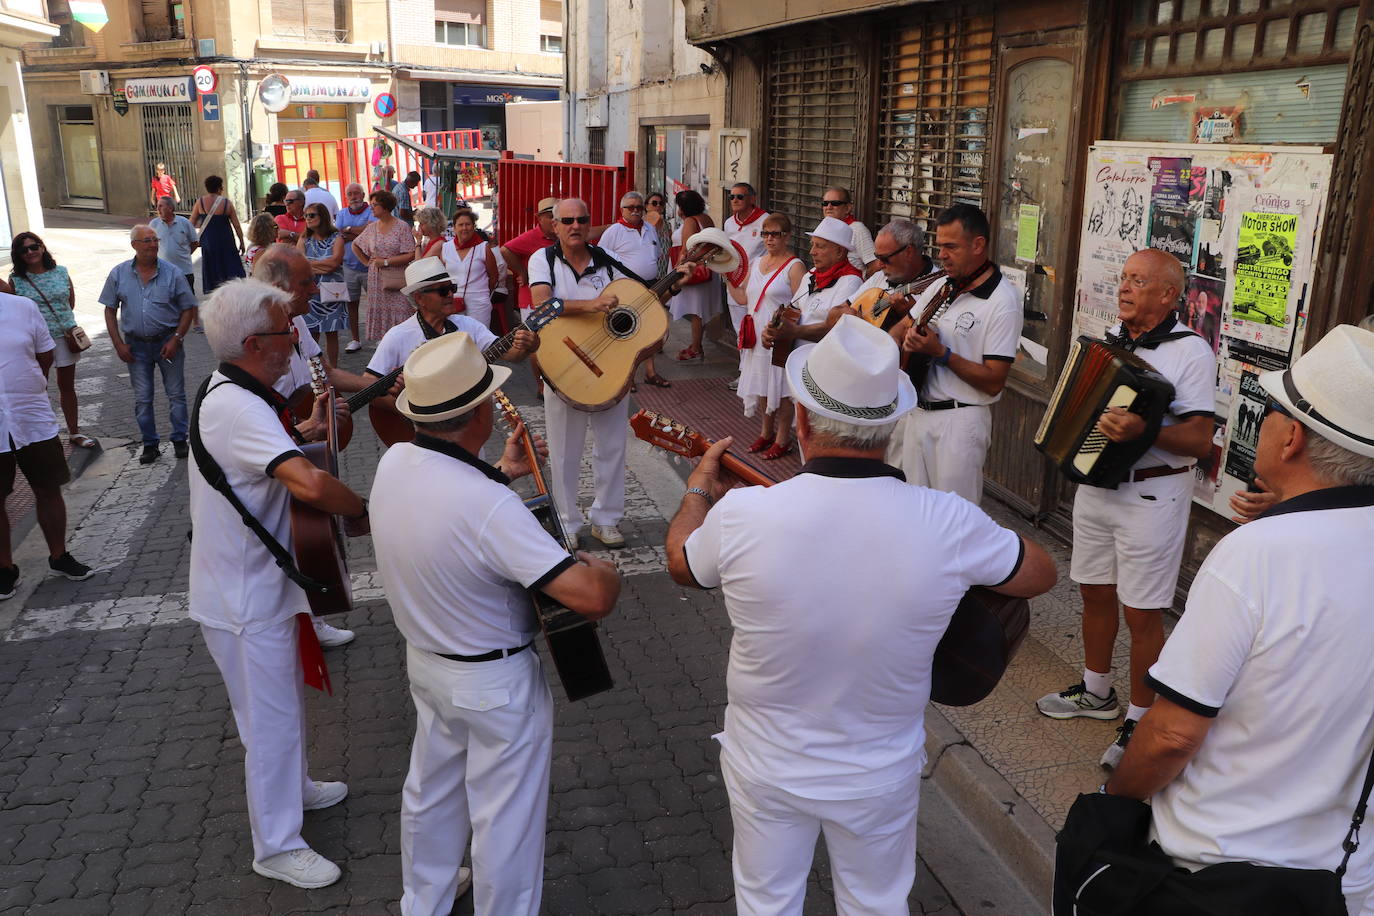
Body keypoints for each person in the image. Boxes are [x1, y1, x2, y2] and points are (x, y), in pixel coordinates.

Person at [666, 315, 1057, 915]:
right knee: (875, 904)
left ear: (799, 419)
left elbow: (683, 565)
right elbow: (1040, 573)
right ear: (890, 426)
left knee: (766, 902)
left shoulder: (743, 513)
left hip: (766, 762)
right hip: (880, 769)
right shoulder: (948, 520)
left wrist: (697, 490)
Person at [1101, 324, 1374, 913]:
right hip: (1347, 875)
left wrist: (1113, 800)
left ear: (1291, 439)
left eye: (1271, 411)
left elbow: (1173, 734)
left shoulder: (1257, 552)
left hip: (1219, 866)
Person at [370, 331, 620, 915]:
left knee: (430, 795)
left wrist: (499, 477)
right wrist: (604, 573)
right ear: (480, 411)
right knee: (505, 821)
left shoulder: (395, 462)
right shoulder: (487, 506)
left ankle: (422, 901)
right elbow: (588, 597)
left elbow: (452, 517)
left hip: (428, 664)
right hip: (494, 684)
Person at [190, 278, 370, 890]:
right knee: (265, 722)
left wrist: (315, 430)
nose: (294, 338)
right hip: (243, 595)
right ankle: (275, 844)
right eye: (283, 330)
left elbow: (282, 464)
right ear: (251, 342)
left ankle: (295, 790)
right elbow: (312, 486)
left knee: (280, 705)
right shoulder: (238, 404)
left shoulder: (244, 393)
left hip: (261, 586)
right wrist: (365, 510)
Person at [1035, 248, 1216, 769]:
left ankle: (1140, 717)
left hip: (1153, 492)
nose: (1125, 287)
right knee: (1094, 591)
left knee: (1142, 611)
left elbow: (1201, 439)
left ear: (1168, 294)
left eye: (1138, 280)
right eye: (1124, 278)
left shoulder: (1191, 353)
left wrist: (1147, 430)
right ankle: (1097, 692)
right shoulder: (1111, 342)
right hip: (1097, 485)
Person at [529, 197, 682, 549]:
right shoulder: (544, 259)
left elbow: (642, 298)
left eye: (581, 219)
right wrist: (590, 305)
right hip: (563, 365)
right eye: (567, 220)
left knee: (612, 447)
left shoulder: (605, 261)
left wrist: (673, 283)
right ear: (555, 225)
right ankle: (567, 523)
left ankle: (607, 519)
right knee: (565, 450)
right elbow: (541, 304)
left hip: (611, 368)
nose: (575, 226)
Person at [895, 203, 1022, 503]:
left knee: (956, 521)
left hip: (960, 421)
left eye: (951, 247)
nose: (942, 255)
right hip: (918, 412)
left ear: (979, 245)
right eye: (939, 246)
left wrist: (941, 353)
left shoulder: (1003, 300)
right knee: (915, 512)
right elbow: (903, 327)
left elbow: (994, 381)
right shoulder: (942, 284)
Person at [0, 283, 99, 595]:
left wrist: (28, 386)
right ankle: (4, 568)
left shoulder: (22, 307)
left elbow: (45, 355)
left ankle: (59, 555)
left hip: (30, 412)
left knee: (48, 487)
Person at [363, 256, 534, 416]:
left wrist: (531, 344)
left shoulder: (468, 326)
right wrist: (409, 413)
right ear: (420, 298)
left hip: (466, 422)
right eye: (443, 291)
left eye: (452, 288)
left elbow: (512, 355)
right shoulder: (398, 336)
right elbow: (367, 386)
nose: (451, 295)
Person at [836, 218, 937, 466]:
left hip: (906, 397)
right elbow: (838, 311)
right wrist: (851, 318)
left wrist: (906, 317)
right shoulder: (879, 278)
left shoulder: (935, 285)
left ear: (910, 252)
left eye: (885, 258)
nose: (879, 265)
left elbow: (925, 341)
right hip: (866, 389)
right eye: (877, 257)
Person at [99, 225, 197, 464]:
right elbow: (110, 310)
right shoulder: (119, 273)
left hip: (168, 341)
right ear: (134, 245)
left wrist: (177, 338)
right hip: (136, 346)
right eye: (147, 241)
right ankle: (150, 444)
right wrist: (118, 344)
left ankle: (179, 440)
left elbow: (188, 308)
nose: (153, 244)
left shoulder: (172, 272)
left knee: (176, 394)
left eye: (155, 240)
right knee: (143, 398)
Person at [8, 233, 95, 450]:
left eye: (34, 246)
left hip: (64, 337)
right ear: (18, 255)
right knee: (39, 388)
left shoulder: (61, 272)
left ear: (42, 247)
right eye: (23, 250)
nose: (30, 252)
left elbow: (70, 303)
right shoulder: (16, 280)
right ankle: (44, 435)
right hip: (34, 342)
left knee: (67, 387)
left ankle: (74, 432)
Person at [733, 212, 806, 460]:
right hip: (756, 336)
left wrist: (782, 327)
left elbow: (800, 307)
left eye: (775, 234)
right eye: (765, 233)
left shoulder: (795, 267)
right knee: (762, 385)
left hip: (779, 337)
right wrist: (725, 274)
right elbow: (743, 299)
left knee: (782, 389)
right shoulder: (756, 263)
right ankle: (765, 433)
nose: (769, 239)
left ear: (787, 236)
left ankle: (783, 438)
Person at [760, 216, 863, 360]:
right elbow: (792, 311)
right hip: (797, 360)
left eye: (820, 246)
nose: (812, 252)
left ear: (839, 252)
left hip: (824, 364)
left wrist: (795, 331)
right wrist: (773, 329)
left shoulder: (851, 281)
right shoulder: (810, 275)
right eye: (812, 244)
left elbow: (837, 329)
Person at [599, 191, 670, 389]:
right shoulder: (613, 232)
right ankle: (627, 376)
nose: (636, 211)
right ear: (622, 210)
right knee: (628, 334)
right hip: (626, 290)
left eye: (639, 207)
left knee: (651, 331)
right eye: (631, 207)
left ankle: (650, 372)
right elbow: (601, 261)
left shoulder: (649, 228)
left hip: (650, 286)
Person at [350, 189, 418, 340]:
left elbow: (411, 253)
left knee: (402, 311)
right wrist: (367, 262)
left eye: (375, 204)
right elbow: (355, 245)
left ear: (386, 206)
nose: (371, 207)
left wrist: (386, 262)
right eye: (371, 204)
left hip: (397, 278)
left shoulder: (402, 227)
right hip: (377, 280)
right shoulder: (372, 228)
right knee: (381, 315)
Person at [670, 189, 719, 362]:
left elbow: (686, 249)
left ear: (684, 207)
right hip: (706, 269)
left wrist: (677, 269)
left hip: (693, 271)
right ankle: (696, 344)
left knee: (696, 312)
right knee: (700, 310)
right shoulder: (706, 219)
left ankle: (696, 348)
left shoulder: (690, 221)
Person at [297, 203, 347, 366]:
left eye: (312, 215)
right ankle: (316, 369)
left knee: (332, 332)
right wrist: (321, 265)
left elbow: (335, 262)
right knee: (311, 333)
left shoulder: (336, 237)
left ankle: (333, 368)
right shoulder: (304, 238)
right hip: (310, 293)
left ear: (323, 217)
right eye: (306, 216)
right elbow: (300, 264)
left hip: (331, 292)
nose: (308, 219)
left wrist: (310, 265)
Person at [439, 209, 499, 331]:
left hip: (479, 302)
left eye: (468, 224)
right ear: (454, 228)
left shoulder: (483, 247)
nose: (464, 228)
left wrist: (482, 293)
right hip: (453, 301)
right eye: (460, 225)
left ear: (473, 227)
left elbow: (494, 277)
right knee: (456, 339)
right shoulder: (446, 248)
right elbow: (442, 276)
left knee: (479, 339)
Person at [334, 183, 375, 355]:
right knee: (351, 304)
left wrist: (349, 230)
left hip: (369, 265)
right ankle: (355, 339)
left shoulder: (372, 211)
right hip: (348, 267)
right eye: (349, 193)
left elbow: (371, 231)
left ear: (363, 194)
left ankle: (378, 337)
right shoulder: (342, 213)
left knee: (375, 303)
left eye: (356, 193)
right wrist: (359, 232)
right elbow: (339, 236)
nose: (353, 196)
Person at [498, 197, 558, 312]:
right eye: (550, 217)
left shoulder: (561, 236)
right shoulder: (532, 236)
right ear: (539, 219)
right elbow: (505, 250)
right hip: (532, 302)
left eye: (557, 217)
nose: (554, 221)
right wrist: (522, 272)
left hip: (554, 299)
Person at [189, 175, 246, 293]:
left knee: (212, 266)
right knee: (229, 266)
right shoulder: (227, 203)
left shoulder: (200, 202)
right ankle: (232, 290)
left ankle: (214, 291)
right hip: (226, 240)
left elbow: (191, 222)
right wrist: (241, 241)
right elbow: (236, 225)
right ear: (220, 188)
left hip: (208, 240)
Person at [821, 186, 878, 275]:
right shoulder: (823, 229)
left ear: (847, 208)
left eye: (835, 203)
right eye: (825, 203)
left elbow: (875, 265)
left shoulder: (857, 229)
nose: (829, 207)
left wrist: (862, 286)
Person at [151, 195, 199, 294]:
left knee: (188, 301)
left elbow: (194, 242)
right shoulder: (154, 224)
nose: (157, 209)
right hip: (162, 271)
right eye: (157, 206)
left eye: (161, 206)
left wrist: (183, 254)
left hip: (184, 271)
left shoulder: (184, 223)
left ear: (170, 208)